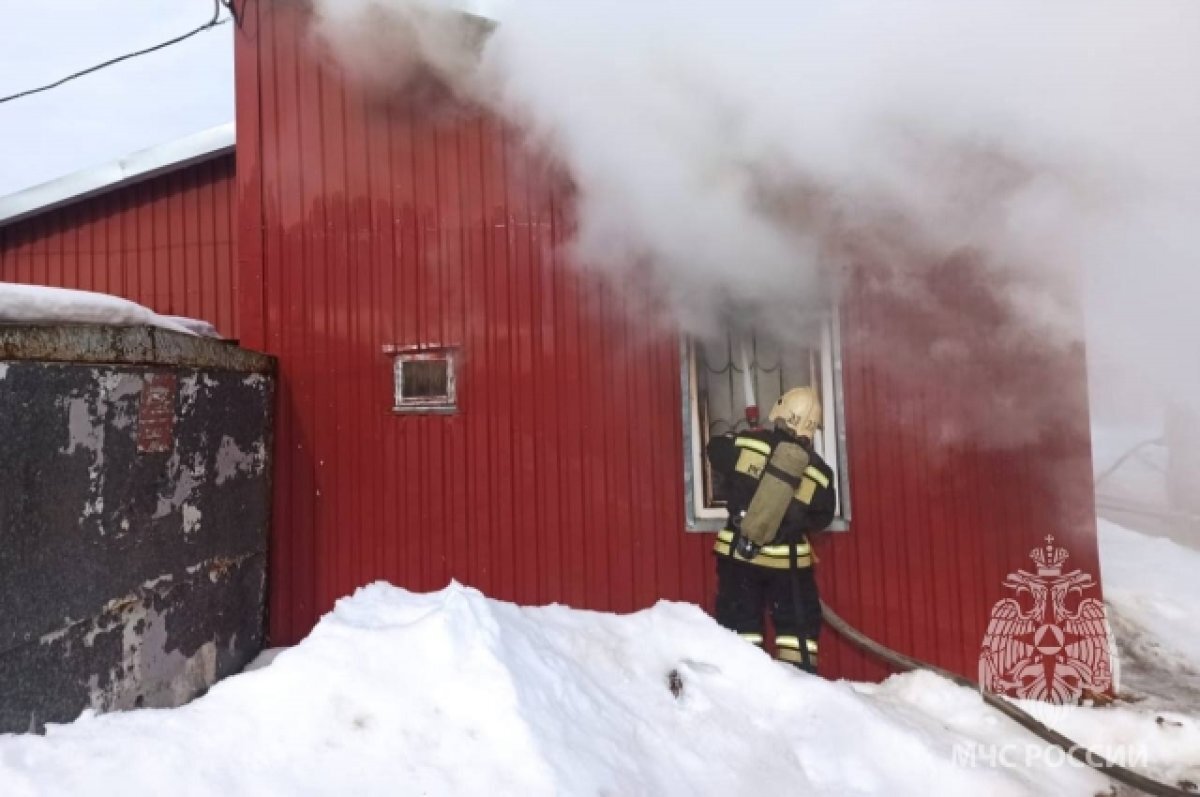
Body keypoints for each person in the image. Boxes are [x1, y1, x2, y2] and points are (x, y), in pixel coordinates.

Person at [706, 386, 836, 673]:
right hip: (789, 567)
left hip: (740, 558)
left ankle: (738, 683)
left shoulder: (749, 444)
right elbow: (822, 517)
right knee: (797, 635)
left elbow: (714, 450)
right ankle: (799, 684)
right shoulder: (819, 473)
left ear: (780, 413)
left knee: (740, 629)